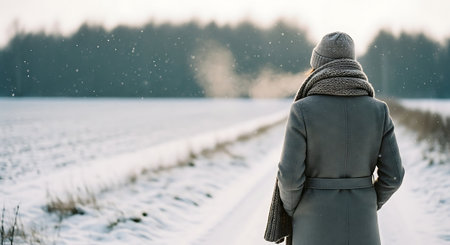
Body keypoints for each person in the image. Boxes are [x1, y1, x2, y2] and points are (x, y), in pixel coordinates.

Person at [276, 32, 405, 245]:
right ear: (351, 64)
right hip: (363, 227)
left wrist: (295, 209)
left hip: (312, 227)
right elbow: (394, 177)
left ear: (318, 67)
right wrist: (368, 200)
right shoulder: (379, 111)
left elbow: (289, 178)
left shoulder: (302, 110)